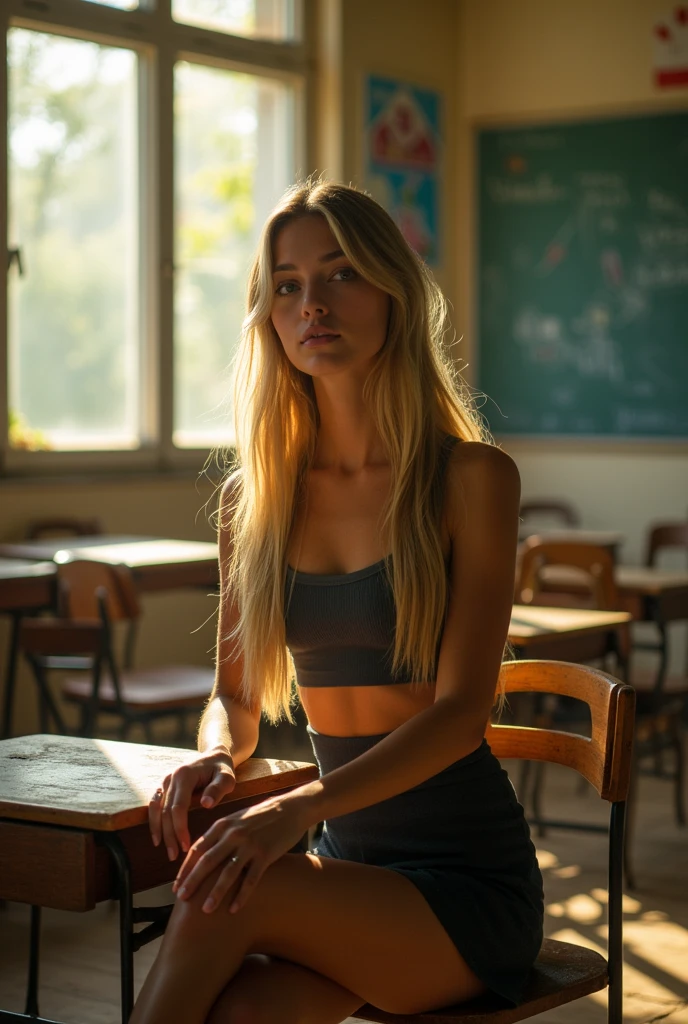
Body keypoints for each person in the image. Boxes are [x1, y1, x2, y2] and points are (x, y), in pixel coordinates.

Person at [131, 178, 544, 1024]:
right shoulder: (255, 502)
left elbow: (464, 713)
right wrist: (214, 755)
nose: (312, 303)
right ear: (269, 317)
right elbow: (237, 697)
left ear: (393, 290)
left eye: (340, 273)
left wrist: (293, 810)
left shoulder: (472, 478)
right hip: (348, 867)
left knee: (223, 888)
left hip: (464, 891)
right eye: (287, 284)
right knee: (237, 1011)